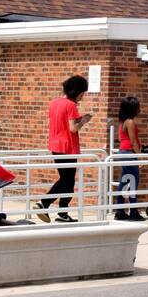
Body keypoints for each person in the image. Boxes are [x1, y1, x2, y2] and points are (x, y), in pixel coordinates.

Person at [37, 75, 92, 223]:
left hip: (55, 145)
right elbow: (73, 128)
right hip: (67, 147)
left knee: (66, 180)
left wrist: (79, 119)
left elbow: (62, 123)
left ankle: (59, 211)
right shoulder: (71, 105)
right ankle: (46, 204)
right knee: (67, 181)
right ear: (77, 91)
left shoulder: (55, 103)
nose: (83, 97)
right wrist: (84, 121)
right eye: (82, 93)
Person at [113, 96, 145, 221]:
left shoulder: (122, 122)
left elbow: (123, 139)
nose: (139, 109)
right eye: (138, 106)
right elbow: (133, 142)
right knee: (133, 181)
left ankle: (120, 210)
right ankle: (133, 211)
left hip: (123, 152)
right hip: (129, 153)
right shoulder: (130, 122)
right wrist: (140, 157)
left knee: (125, 181)